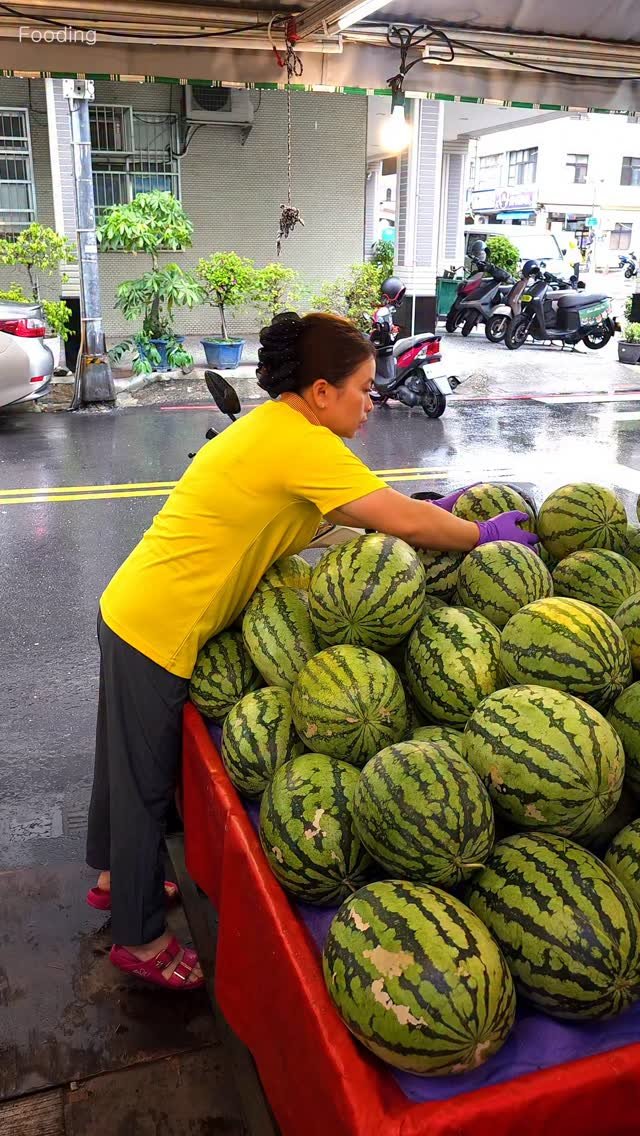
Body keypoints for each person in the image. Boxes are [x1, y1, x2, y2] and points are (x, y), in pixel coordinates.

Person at [86, 310, 537, 992]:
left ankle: (113, 876)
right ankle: (140, 937)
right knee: (145, 781)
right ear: (321, 392)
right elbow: (391, 514)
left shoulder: (275, 430)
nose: (372, 400)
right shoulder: (300, 442)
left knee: (120, 759)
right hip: (157, 624)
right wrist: (480, 536)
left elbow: (345, 517)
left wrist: (439, 515)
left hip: (138, 607)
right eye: (361, 387)